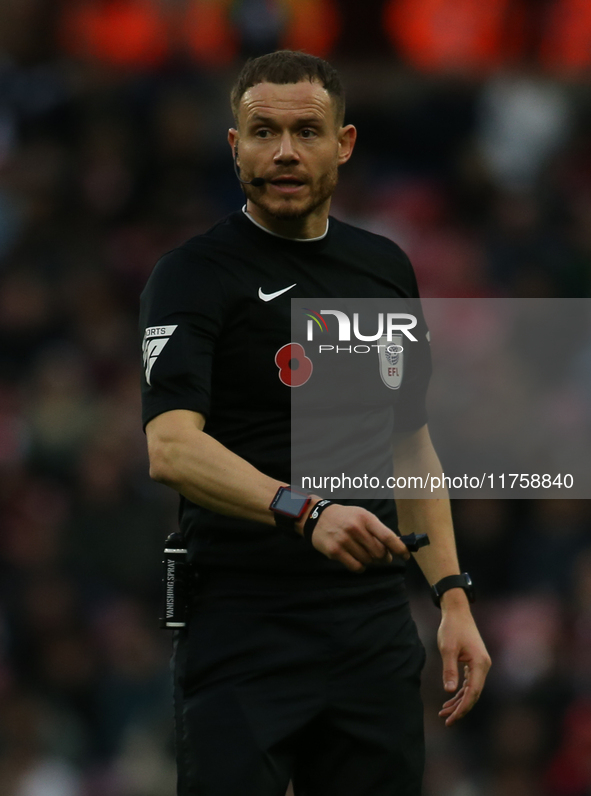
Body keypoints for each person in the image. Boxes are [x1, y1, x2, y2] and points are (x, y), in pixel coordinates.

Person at [140, 50, 491, 796]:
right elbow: (170, 446)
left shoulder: (382, 270)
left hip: (368, 628)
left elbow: (408, 443)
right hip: (241, 625)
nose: (285, 152)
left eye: (307, 131)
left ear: (345, 143)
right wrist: (303, 510)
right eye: (263, 132)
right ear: (235, 146)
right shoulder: (194, 274)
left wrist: (452, 598)